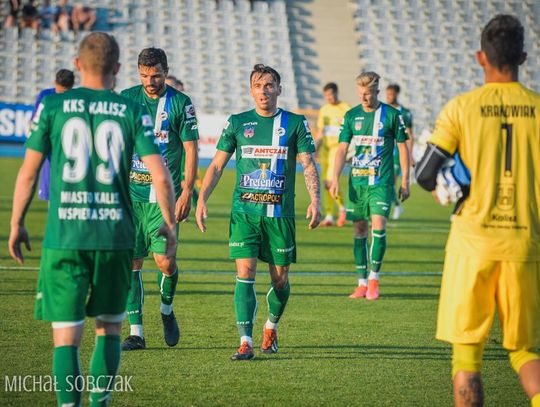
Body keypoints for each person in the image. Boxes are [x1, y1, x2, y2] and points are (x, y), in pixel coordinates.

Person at [8, 32, 177, 407]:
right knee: (109, 331)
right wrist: (168, 221)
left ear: (79, 66)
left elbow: (28, 173)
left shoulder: (54, 107)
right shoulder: (131, 110)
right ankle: (99, 403)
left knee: (66, 336)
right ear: (118, 69)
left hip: (65, 236)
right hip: (113, 235)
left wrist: (16, 222)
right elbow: (161, 175)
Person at [416, 14, 540, 407]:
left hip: (471, 246)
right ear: (523, 56)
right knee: (524, 352)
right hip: (524, 245)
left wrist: (451, 188)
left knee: (466, 355)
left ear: (480, 57)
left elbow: (424, 174)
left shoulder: (461, 108)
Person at [196, 64, 321, 360]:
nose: (263, 91)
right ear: (250, 90)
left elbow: (308, 163)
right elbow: (215, 166)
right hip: (245, 213)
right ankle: (245, 341)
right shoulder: (238, 123)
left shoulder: (294, 123)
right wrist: (201, 200)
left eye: (268, 85)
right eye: (257, 85)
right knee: (245, 273)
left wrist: (315, 199)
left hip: (280, 216)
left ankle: (270, 326)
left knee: (280, 280)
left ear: (278, 89)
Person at [120, 48, 199, 351]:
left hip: (163, 198)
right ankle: (136, 331)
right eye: (144, 75)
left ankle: (166, 310)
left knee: (165, 262)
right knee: (132, 262)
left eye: (155, 75)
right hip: (130, 195)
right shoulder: (127, 98)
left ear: (166, 71)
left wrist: (188, 192)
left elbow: (191, 150)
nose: (149, 81)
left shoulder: (181, 104)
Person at [330, 72, 410, 300]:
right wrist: (335, 177)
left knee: (378, 225)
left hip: (381, 183)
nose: (364, 98)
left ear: (377, 91)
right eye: (361, 94)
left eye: (368, 93)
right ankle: (362, 283)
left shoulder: (393, 115)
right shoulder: (351, 115)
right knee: (359, 230)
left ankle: (374, 278)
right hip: (357, 183)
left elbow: (403, 147)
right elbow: (342, 149)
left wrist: (405, 180)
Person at [31, 68, 76, 201]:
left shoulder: (76, 97)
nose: (60, 94)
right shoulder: (46, 95)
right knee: (50, 191)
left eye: (64, 92)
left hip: (68, 145)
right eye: (59, 91)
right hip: (49, 143)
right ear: (54, 83)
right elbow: (35, 119)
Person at [316, 82, 350, 227]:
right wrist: (314, 150)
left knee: (331, 182)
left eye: (331, 94)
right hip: (325, 151)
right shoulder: (324, 110)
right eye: (326, 95)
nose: (329, 98)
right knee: (325, 184)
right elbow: (321, 132)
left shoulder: (345, 109)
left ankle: (343, 209)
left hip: (338, 150)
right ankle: (329, 215)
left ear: (336, 92)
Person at [385, 83, 414, 220]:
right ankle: (396, 205)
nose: (389, 97)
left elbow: (409, 135)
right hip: (384, 152)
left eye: (391, 94)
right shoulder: (382, 110)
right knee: (385, 183)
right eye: (387, 94)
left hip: (398, 153)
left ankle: (396, 206)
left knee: (390, 182)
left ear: (397, 94)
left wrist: (410, 154)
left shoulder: (405, 113)